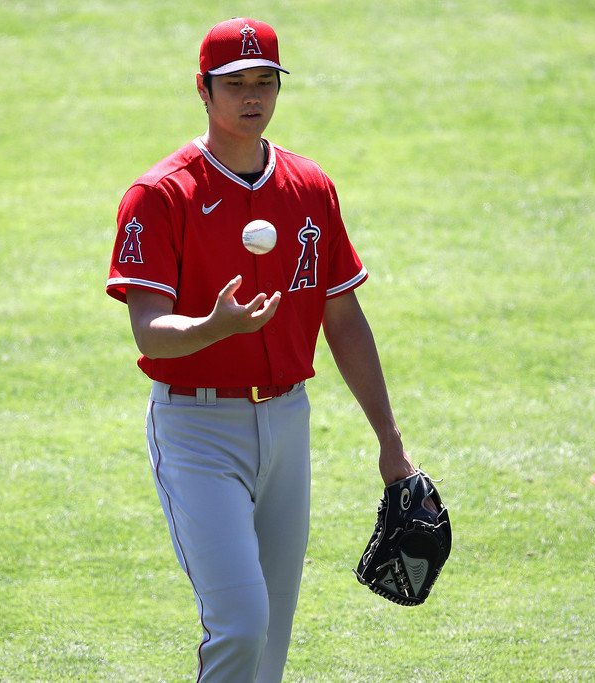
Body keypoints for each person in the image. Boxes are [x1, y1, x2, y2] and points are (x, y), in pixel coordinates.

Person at [105, 17, 417, 683]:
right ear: (203, 90)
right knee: (241, 621)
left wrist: (389, 439)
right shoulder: (161, 195)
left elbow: (344, 316)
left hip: (287, 425)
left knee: (271, 638)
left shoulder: (309, 188)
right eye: (236, 83)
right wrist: (215, 326)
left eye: (265, 82)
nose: (253, 96)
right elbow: (148, 328)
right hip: (196, 429)